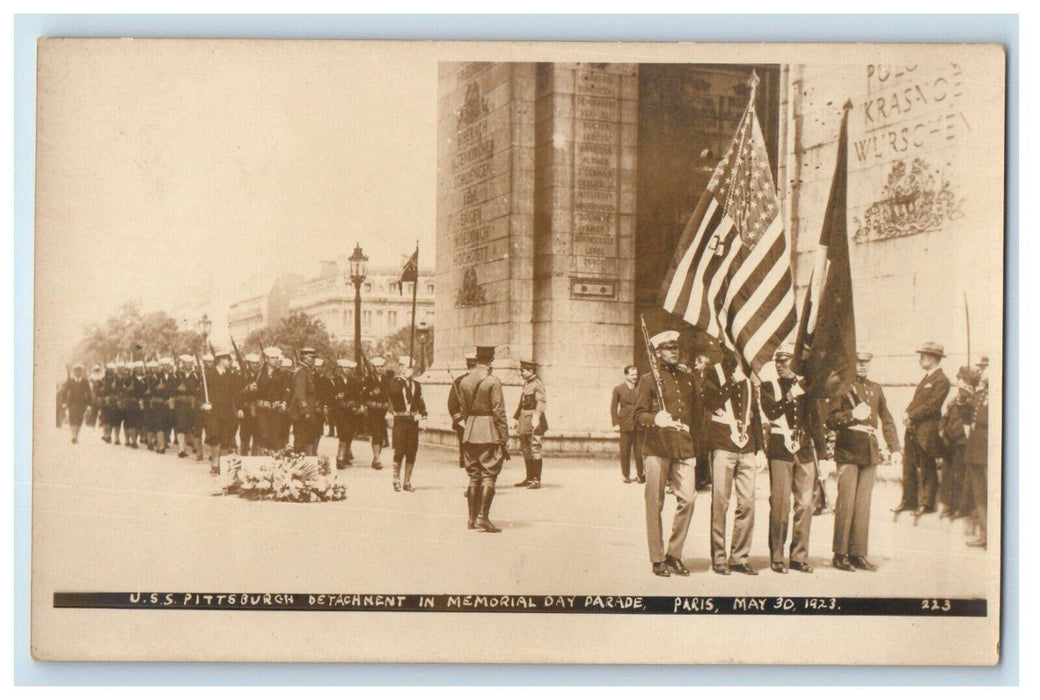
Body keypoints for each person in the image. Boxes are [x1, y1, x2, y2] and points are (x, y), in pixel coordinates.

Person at [826, 350, 901, 572]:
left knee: (863, 506)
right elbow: (830, 420)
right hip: (848, 450)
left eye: (866, 362)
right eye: (858, 361)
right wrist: (852, 415)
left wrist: (895, 447)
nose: (862, 366)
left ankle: (858, 552)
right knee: (846, 505)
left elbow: (886, 419)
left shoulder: (875, 388)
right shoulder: (842, 387)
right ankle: (840, 554)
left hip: (869, 451)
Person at [632, 330, 698, 578]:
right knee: (654, 504)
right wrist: (654, 418)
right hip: (657, 448)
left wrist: (695, 450)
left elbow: (695, 416)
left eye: (676, 347)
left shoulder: (686, 379)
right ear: (658, 352)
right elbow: (637, 416)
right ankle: (658, 557)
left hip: (683, 446)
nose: (674, 351)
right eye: (668, 348)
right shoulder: (649, 380)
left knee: (688, 499)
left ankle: (674, 554)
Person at [701, 352, 762, 576]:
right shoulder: (714, 373)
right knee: (720, 503)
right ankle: (719, 558)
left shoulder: (747, 378)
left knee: (747, 503)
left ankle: (739, 557)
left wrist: (761, 449)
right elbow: (709, 402)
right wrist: (729, 382)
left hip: (746, 448)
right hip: (723, 445)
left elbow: (753, 416)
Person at [760, 344, 818, 574]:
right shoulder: (769, 386)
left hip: (803, 449)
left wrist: (821, 454)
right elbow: (772, 412)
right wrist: (791, 394)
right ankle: (776, 555)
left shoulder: (807, 387)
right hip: (780, 449)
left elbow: (814, 421)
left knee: (805, 503)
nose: (780, 365)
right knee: (781, 504)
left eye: (785, 361)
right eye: (778, 361)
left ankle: (799, 555)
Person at [893, 342, 951, 517]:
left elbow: (932, 406)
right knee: (909, 465)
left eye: (924, 356)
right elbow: (917, 401)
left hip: (928, 431)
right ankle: (908, 501)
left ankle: (926, 504)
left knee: (927, 465)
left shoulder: (941, 380)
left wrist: (911, 415)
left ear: (934, 358)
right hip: (914, 429)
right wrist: (906, 413)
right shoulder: (926, 379)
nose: (920, 359)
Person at [458, 345, 509, 532]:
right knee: (489, 474)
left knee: (474, 475)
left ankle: (471, 519)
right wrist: (504, 436)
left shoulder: (464, 381)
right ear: (491, 361)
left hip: (470, 432)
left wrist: (471, 425)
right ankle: (482, 518)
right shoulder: (493, 381)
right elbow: (499, 412)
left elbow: (463, 410)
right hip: (489, 432)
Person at [938, 366, 980, 519]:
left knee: (960, 476)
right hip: (949, 443)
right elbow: (946, 416)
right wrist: (942, 429)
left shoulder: (971, 398)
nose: (958, 382)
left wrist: (965, 396)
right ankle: (948, 505)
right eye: (959, 378)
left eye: (961, 379)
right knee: (948, 476)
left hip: (961, 443)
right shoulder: (954, 399)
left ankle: (960, 508)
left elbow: (968, 419)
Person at [388, 356, 428, 492]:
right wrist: (404, 380)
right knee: (399, 451)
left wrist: (424, 415)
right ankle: (396, 479)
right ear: (401, 368)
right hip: (400, 420)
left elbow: (420, 401)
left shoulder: (416, 385)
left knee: (411, 452)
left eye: (412, 368)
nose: (411, 370)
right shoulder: (395, 382)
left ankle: (407, 481)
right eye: (407, 367)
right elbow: (394, 393)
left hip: (412, 421)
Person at [201, 349, 242, 474]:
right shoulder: (208, 374)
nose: (229, 362)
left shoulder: (231, 375)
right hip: (213, 411)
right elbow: (201, 392)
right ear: (220, 360)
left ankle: (222, 465)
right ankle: (215, 464)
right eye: (227, 359)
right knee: (215, 437)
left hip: (227, 411)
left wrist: (239, 408)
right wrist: (203, 404)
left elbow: (236, 394)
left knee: (226, 437)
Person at [513, 359, 548, 489]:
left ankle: (536, 480)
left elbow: (541, 402)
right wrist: (516, 417)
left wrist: (537, 416)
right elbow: (521, 402)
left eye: (523, 370)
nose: (521, 373)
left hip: (534, 420)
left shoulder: (537, 384)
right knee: (526, 449)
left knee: (535, 448)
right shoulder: (526, 384)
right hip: (525, 419)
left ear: (531, 371)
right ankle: (529, 478)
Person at [965, 365, 989, 548]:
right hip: (976, 449)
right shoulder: (979, 395)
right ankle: (984, 534)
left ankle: (995, 537)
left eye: (985, 367)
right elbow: (966, 412)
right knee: (980, 494)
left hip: (990, 448)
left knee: (994, 493)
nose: (982, 372)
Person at [610, 365, 645, 483]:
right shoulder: (618, 389)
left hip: (638, 423)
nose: (635, 377)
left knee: (639, 451)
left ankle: (641, 475)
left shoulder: (641, 388)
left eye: (636, 374)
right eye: (632, 375)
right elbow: (613, 408)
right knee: (625, 450)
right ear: (626, 375)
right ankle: (626, 475)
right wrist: (615, 423)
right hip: (624, 423)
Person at [289, 347, 322, 456]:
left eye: (313, 358)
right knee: (300, 441)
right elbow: (300, 394)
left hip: (307, 411)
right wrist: (305, 412)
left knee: (307, 438)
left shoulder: (307, 371)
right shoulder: (301, 372)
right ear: (304, 358)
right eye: (310, 358)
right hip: (301, 414)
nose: (313, 360)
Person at [448, 351, 478, 469]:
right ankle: (465, 460)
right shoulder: (459, 381)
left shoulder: (482, 380)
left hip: (476, 419)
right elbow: (452, 403)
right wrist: (459, 420)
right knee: (465, 444)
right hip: (464, 419)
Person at [329, 359, 360, 469]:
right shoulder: (334, 381)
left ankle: (346, 454)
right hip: (339, 411)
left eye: (350, 369)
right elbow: (329, 396)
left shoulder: (354, 382)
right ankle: (340, 457)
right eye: (346, 368)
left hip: (351, 412)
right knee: (343, 432)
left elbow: (358, 396)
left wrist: (356, 405)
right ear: (340, 369)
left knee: (350, 432)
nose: (348, 370)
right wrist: (336, 397)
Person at [363, 357, 391, 469]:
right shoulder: (368, 379)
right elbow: (363, 394)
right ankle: (377, 458)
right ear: (373, 368)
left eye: (381, 367)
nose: (379, 369)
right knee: (376, 433)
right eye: (377, 367)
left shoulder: (387, 379)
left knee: (381, 436)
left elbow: (390, 393)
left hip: (383, 411)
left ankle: (376, 458)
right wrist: (371, 393)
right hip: (373, 410)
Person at [173, 355, 202, 458]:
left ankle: (195, 446)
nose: (188, 365)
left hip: (192, 403)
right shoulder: (177, 374)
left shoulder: (196, 375)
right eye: (186, 363)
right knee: (181, 425)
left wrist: (191, 391)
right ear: (183, 364)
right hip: (181, 403)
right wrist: (178, 388)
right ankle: (181, 448)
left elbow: (200, 388)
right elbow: (171, 388)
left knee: (193, 424)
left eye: (190, 363)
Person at [61, 364, 93, 444]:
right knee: (72, 417)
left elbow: (89, 393)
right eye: (76, 371)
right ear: (74, 372)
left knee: (79, 418)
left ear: (81, 372)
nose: (78, 372)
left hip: (82, 403)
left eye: (79, 371)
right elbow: (64, 392)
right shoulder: (70, 381)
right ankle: (73, 436)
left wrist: (89, 405)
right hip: (72, 402)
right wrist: (64, 402)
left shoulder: (85, 381)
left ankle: (76, 435)